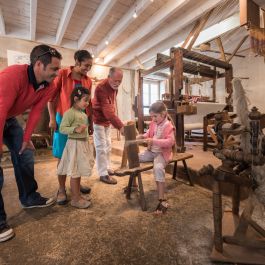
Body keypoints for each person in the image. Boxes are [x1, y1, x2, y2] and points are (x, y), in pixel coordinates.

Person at [0, 44, 62, 242]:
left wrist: (26, 139)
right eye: (54, 68)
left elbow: (36, 112)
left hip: (10, 118)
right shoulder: (12, 76)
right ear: (38, 65)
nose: (56, 73)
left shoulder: (48, 85)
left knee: (25, 153)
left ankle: (29, 197)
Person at [48, 50, 93, 205]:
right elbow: (51, 98)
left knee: (79, 154)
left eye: (90, 66)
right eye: (86, 65)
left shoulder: (88, 81)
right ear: (77, 61)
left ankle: (76, 187)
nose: (88, 69)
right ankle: (61, 189)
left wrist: (89, 123)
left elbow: (88, 103)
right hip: (63, 119)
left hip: (80, 121)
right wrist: (52, 118)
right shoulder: (62, 74)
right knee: (62, 155)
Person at [57, 87, 94, 209]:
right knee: (75, 172)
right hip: (74, 145)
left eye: (88, 100)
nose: (87, 103)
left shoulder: (83, 114)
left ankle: (77, 195)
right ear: (75, 99)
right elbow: (62, 128)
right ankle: (75, 199)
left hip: (82, 144)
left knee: (78, 172)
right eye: (85, 100)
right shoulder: (69, 113)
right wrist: (75, 129)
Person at [137, 101, 175, 214]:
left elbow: (170, 142)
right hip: (152, 152)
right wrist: (141, 136)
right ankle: (134, 184)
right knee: (135, 158)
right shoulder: (153, 123)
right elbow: (149, 134)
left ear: (163, 114)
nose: (153, 119)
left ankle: (162, 199)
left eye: (155, 116)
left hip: (161, 154)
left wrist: (154, 141)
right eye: (152, 116)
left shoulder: (168, 126)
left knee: (158, 168)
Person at [92, 67, 124, 185]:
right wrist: (120, 126)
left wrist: (115, 122)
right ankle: (102, 174)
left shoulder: (115, 88)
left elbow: (111, 105)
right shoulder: (101, 88)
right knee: (101, 147)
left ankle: (107, 167)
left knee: (108, 145)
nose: (117, 84)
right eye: (115, 81)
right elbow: (107, 111)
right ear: (109, 77)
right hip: (98, 120)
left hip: (107, 121)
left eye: (120, 81)